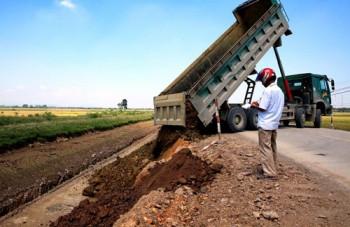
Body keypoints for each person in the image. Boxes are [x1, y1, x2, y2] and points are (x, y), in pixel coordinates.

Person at [250, 68, 284, 180]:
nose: (262, 83)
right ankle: (273, 168)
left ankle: (269, 173)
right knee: (272, 147)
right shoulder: (279, 91)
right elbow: (272, 106)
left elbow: (263, 108)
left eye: (262, 81)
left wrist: (253, 105)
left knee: (265, 149)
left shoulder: (268, 91)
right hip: (274, 125)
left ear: (266, 78)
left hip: (265, 125)